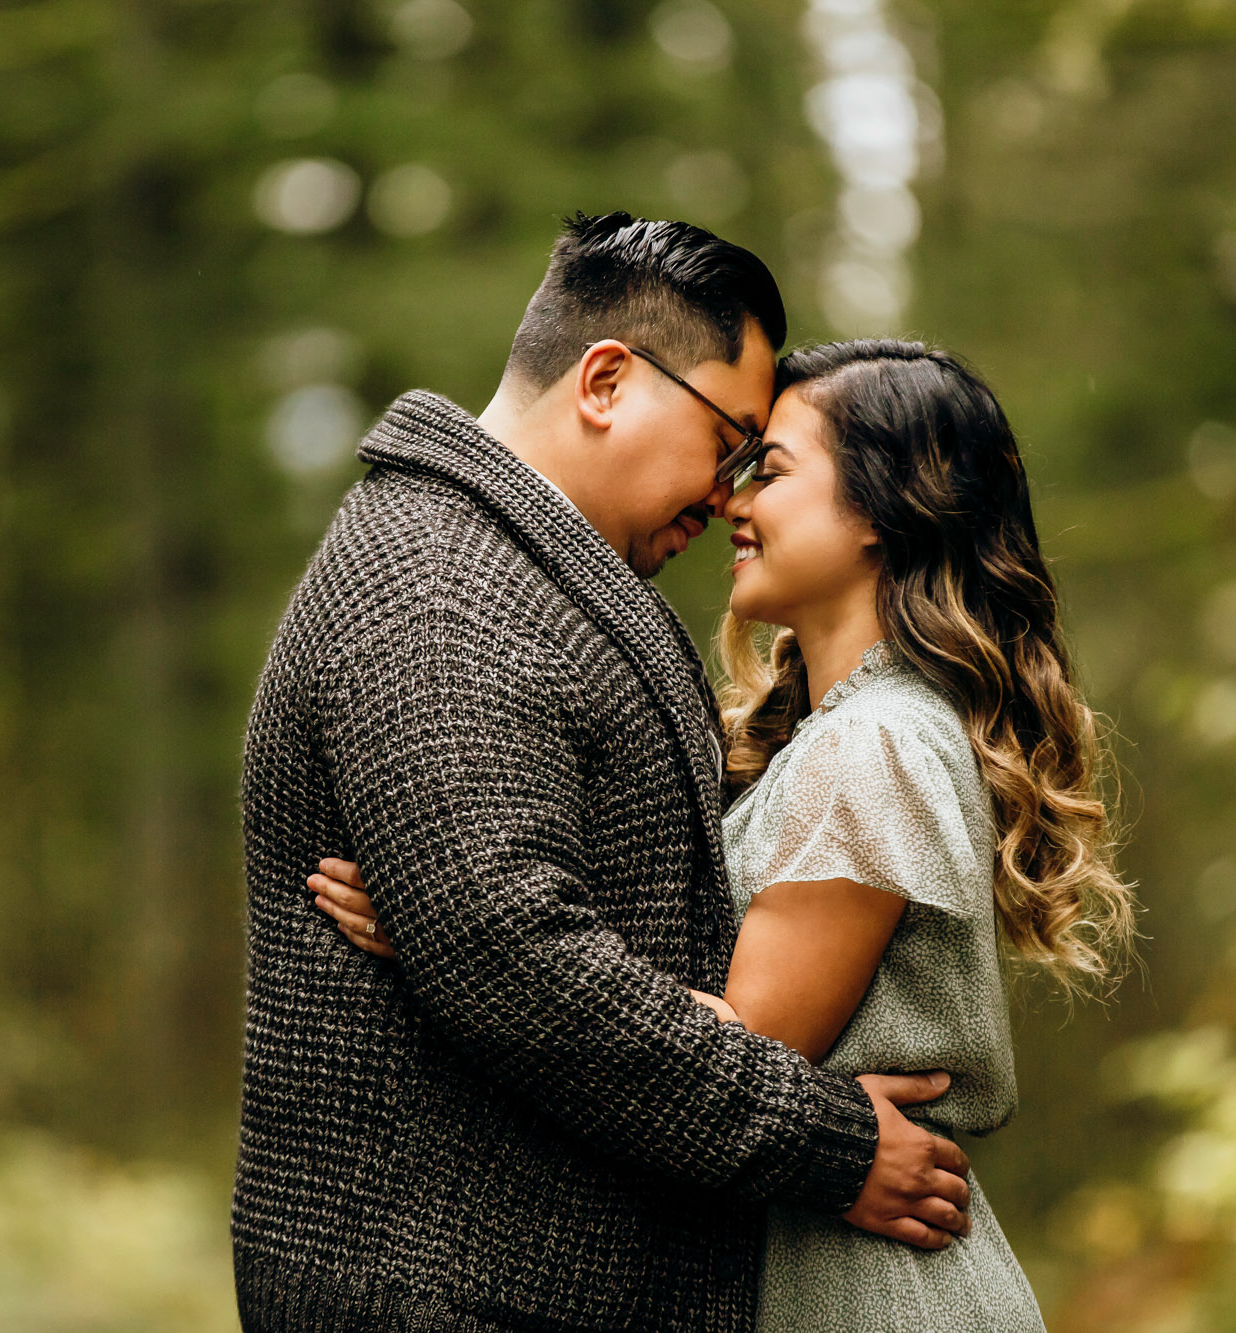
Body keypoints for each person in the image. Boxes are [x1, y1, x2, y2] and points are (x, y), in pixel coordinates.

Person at [234, 213, 975, 1333]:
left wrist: (447, 929)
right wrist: (825, 1141)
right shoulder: (444, 591)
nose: (726, 494)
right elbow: (514, 961)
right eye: (729, 439)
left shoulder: (512, 575)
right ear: (605, 381)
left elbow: (512, 944)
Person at [312, 339, 1139, 1330]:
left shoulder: (873, 744)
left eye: (770, 470)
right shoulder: (840, 734)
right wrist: (480, 920)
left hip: (869, 1291)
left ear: (884, 508)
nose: (730, 502)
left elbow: (746, 1050)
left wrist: (466, 936)